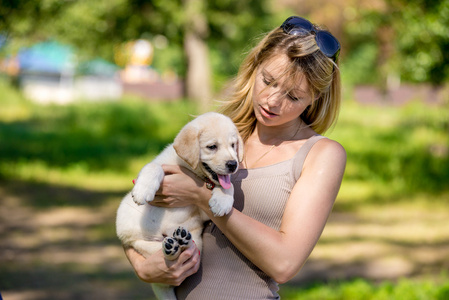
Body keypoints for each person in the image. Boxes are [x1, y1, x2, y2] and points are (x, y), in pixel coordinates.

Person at [124, 16, 346, 299]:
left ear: (315, 97)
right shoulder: (222, 133)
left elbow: (284, 264)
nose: (272, 100)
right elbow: (136, 206)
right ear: (255, 67)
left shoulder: (321, 154)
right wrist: (143, 266)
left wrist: (200, 196)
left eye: (293, 96)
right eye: (267, 81)